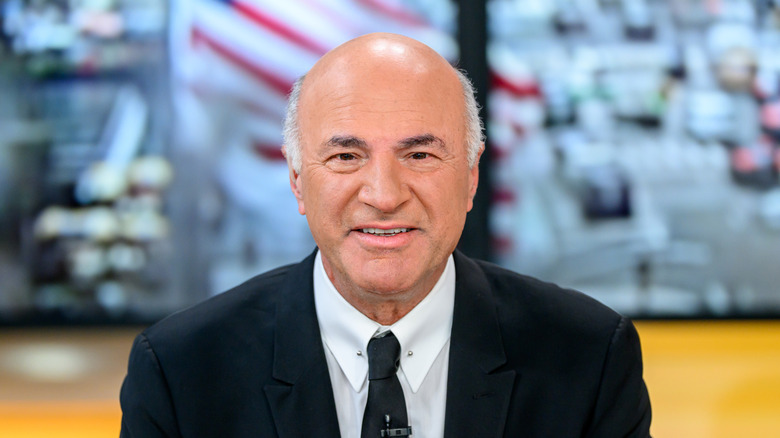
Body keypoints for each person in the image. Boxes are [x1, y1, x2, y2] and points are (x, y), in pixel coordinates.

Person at [119, 33, 651, 438]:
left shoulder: (590, 359)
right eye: (346, 156)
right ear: (298, 182)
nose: (383, 194)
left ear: (470, 177)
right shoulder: (179, 372)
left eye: (419, 154)